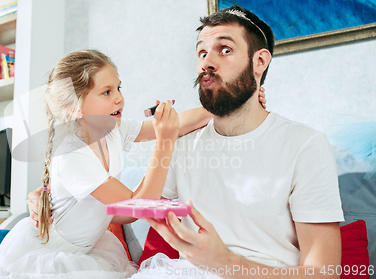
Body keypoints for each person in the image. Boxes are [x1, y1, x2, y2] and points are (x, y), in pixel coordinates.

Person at [0, 49, 264, 279]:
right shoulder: (71, 156)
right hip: (51, 257)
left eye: (118, 87)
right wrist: (164, 142)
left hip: (90, 248)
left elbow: (176, 124)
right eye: (106, 92)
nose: (119, 97)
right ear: (74, 107)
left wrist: (231, 105)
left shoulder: (113, 130)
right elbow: (135, 208)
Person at [131, 5, 344, 279]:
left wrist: (226, 262)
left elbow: (324, 274)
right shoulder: (183, 145)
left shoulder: (306, 146)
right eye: (202, 52)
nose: (207, 62)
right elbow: (134, 208)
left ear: (259, 62)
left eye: (225, 49)